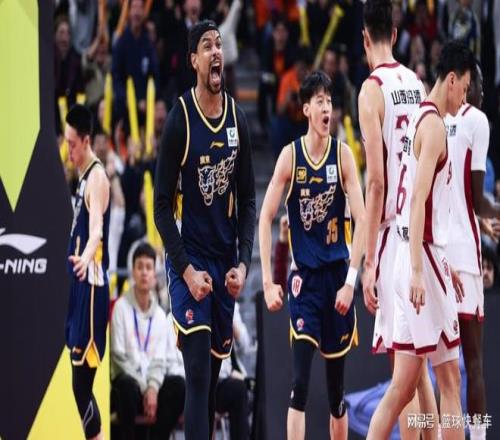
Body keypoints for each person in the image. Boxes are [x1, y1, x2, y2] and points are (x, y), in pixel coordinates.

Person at [367, 40, 475, 440]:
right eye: (465, 88)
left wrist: (436, 265)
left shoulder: (418, 118)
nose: (465, 97)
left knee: (402, 387)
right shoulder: (433, 127)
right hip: (420, 260)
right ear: (451, 80)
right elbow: (417, 201)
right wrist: (420, 269)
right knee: (450, 380)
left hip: (413, 257)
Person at [153, 20, 256, 440]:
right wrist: (186, 269)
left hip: (223, 260)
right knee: (195, 370)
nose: (216, 52)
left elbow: (248, 202)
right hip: (189, 259)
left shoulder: (237, 119)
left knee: (211, 379)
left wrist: (243, 264)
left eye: (219, 45)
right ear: (194, 60)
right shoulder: (180, 119)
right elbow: (161, 207)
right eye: (207, 46)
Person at [259, 70, 365, 440]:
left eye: (330, 102)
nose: (326, 108)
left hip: (337, 280)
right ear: (306, 109)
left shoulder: (343, 155)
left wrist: (351, 282)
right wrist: (269, 282)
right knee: (299, 386)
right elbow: (265, 217)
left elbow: (363, 219)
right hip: (304, 283)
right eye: (319, 101)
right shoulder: (290, 157)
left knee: (337, 396)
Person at [357, 1, 437, 437]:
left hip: (392, 238)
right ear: (393, 31)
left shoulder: (371, 90)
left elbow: (375, 183)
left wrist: (369, 261)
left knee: (402, 372)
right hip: (420, 229)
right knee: (417, 366)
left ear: (365, 38)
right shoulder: (416, 82)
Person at [445, 64, 498, 440]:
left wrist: (480, 218)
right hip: (464, 256)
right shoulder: (477, 120)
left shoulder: (432, 119)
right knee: (474, 361)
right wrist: (492, 212)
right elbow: (478, 200)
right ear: (466, 82)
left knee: (440, 369)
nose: (479, 88)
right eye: (476, 80)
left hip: (434, 255)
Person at [65, 104, 110, 440]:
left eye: (71, 143)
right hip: (81, 286)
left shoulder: (97, 177)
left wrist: (85, 256)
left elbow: (97, 230)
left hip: (92, 287)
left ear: (86, 140)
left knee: (82, 385)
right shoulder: (82, 176)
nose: (68, 149)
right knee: (77, 385)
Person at [111, 242, 185, 439]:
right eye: (140, 267)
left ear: (154, 275)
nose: (144, 272)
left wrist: (152, 387)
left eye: (148, 267)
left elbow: (160, 361)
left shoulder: (160, 315)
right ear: (133, 272)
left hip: (153, 386)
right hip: (129, 385)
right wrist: (145, 388)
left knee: (179, 386)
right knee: (126, 387)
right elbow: (118, 358)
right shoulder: (121, 307)